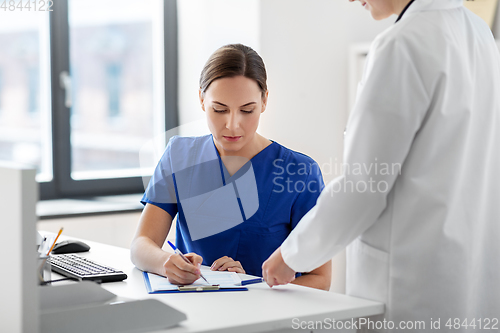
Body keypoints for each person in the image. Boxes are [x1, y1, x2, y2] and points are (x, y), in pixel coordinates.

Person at [262, 0, 500, 331]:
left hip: (411, 290)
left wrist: (292, 256)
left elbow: (362, 187)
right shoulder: (479, 34)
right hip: (468, 280)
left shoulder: (402, 43)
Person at [131, 44, 332, 290]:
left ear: (264, 100)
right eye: (220, 109)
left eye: (247, 110)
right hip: (194, 312)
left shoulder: (299, 171)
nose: (232, 125)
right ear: (202, 100)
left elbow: (321, 279)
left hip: (267, 319)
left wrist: (251, 284)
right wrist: (167, 263)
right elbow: (141, 244)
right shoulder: (179, 156)